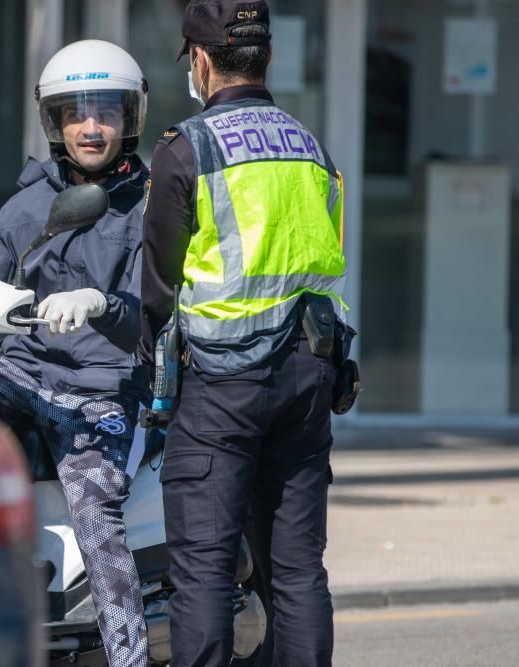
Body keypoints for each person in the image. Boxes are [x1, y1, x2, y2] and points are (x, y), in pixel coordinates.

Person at [138, 2, 352, 665]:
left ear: (200, 62)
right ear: (268, 59)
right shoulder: (310, 149)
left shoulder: (185, 151)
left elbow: (159, 284)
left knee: (202, 570)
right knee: (296, 571)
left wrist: (150, 377)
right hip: (307, 376)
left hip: (221, 387)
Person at [0, 39, 151, 667]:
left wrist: (100, 304)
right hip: (21, 374)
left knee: (95, 512)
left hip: (102, 390)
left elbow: (149, 314)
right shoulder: (29, 202)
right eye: (76, 113)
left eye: (105, 112)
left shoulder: (149, 209)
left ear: (129, 119)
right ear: (56, 122)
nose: (92, 127)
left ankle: (127, 653)